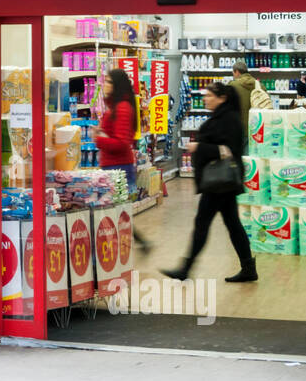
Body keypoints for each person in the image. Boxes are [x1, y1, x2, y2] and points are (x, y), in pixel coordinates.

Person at [163, 81, 257, 283]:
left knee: (202, 223)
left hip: (220, 182)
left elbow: (229, 150)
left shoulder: (229, 119)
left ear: (222, 98)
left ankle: (186, 269)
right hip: (222, 182)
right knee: (233, 224)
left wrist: (199, 147)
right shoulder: (222, 116)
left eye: (210, 96)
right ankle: (248, 268)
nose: (205, 98)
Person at [94, 68, 150, 251]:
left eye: (109, 82)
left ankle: (120, 246)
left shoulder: (123, 108)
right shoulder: (115, 106)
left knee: (117, 210)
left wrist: (99, 139)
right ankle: (134, 242)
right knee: (118, 210)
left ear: (117, 85)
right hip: (112, 165)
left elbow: (122, 142)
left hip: (119, 167)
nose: (105, 85)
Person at [228, 60, 257, 139]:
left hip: (238, 128)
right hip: (256, 127)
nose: (233, 76)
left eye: (233, 73)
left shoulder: (232, 85)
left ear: (237, 72)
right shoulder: (258, 84)